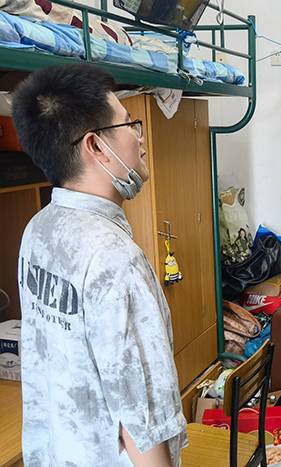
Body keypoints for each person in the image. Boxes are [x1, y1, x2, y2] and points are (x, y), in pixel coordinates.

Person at [13, 64, 186, 466]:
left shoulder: (38, 229)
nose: (140, 138)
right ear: (96, 146)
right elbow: (140, 423)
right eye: (129, 124)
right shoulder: (116, 259)